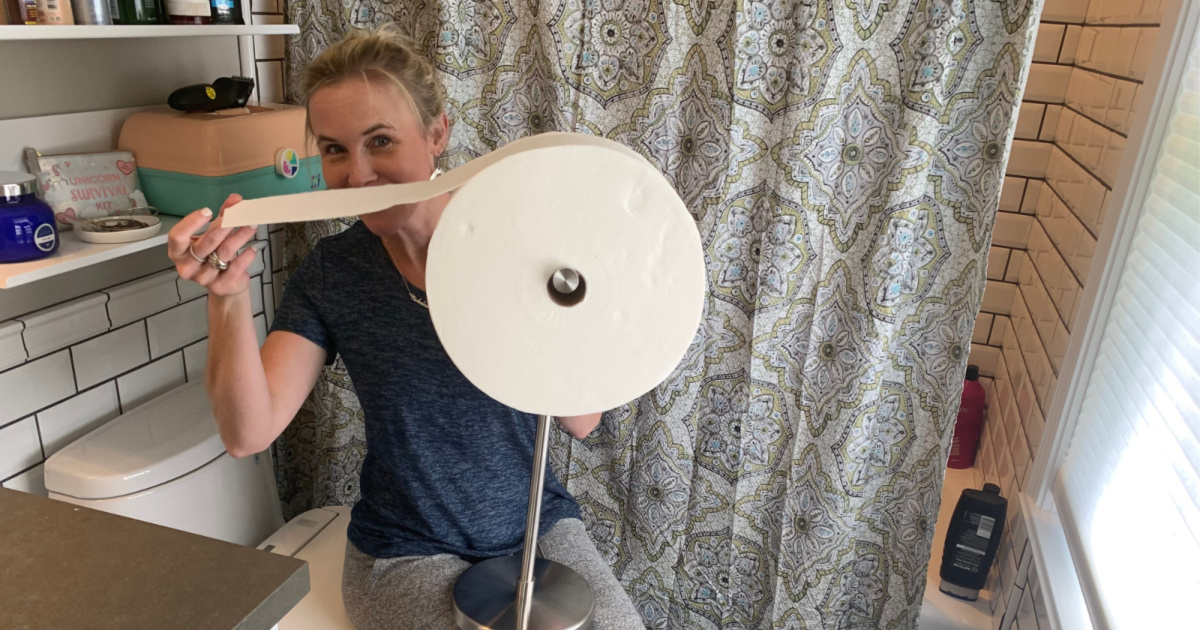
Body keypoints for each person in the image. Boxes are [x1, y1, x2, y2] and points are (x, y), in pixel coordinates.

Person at [167, 24, 643, 630]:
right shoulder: (333, 274)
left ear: (437, 133)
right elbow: (247, 434)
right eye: (335, 149)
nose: (358, 176)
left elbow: (581, 420)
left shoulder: (519, 250)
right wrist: (227, 298)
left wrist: (542, 278)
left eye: (381, 141)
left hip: (535, 526)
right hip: (404, 548)